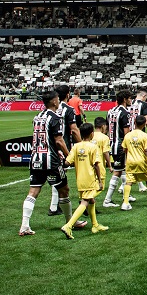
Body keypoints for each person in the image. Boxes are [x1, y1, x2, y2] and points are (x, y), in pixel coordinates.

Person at [18, 90, 86, 236]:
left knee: (33, 191)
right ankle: (70, 222)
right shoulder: (55, 117)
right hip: (51, 160)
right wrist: (69, 156)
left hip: (35, 157)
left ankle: (24, 225)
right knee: (64, 189)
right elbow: (59, 140)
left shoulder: (37, 117)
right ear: (54, 102)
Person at [60, 123, 107, 238]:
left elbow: (67, 162)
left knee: (91, 200)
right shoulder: (93, 147)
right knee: (85, 201)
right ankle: (69, 225)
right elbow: (96, 165)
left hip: (80, 179)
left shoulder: (76, 146)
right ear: (92, 134)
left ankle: (95, 224)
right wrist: (100, 181)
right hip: (90, 178)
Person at [120, 115, 147, 210]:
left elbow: (124, 149)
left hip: (130, 161)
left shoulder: (128, 135)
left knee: (129, 182)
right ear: (144, 125)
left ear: (134, 123)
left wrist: (125, 161)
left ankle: (125, 202)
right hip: (142, 161)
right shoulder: (145, 136)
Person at [49, 85, 80, 217]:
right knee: (61, 176)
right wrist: (82, 143)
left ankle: (54, 205)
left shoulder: (50, 109)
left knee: (57, 174)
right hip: (63, 145)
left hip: (50, 146)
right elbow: (73, 130)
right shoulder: (68, 109)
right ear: (68, 94)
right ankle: (54, 206)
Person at [103, 90, 134, 208]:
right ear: (125, 99)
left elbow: (106, 129)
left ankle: (127, 194)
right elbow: (126, 133)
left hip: (112, 143)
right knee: (118, 171)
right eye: (130, 98)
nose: (131, 100)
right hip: (120, 145)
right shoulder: (125, 112)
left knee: (124, 169)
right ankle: (107, 200)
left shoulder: (110, 111)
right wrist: (129, 147)